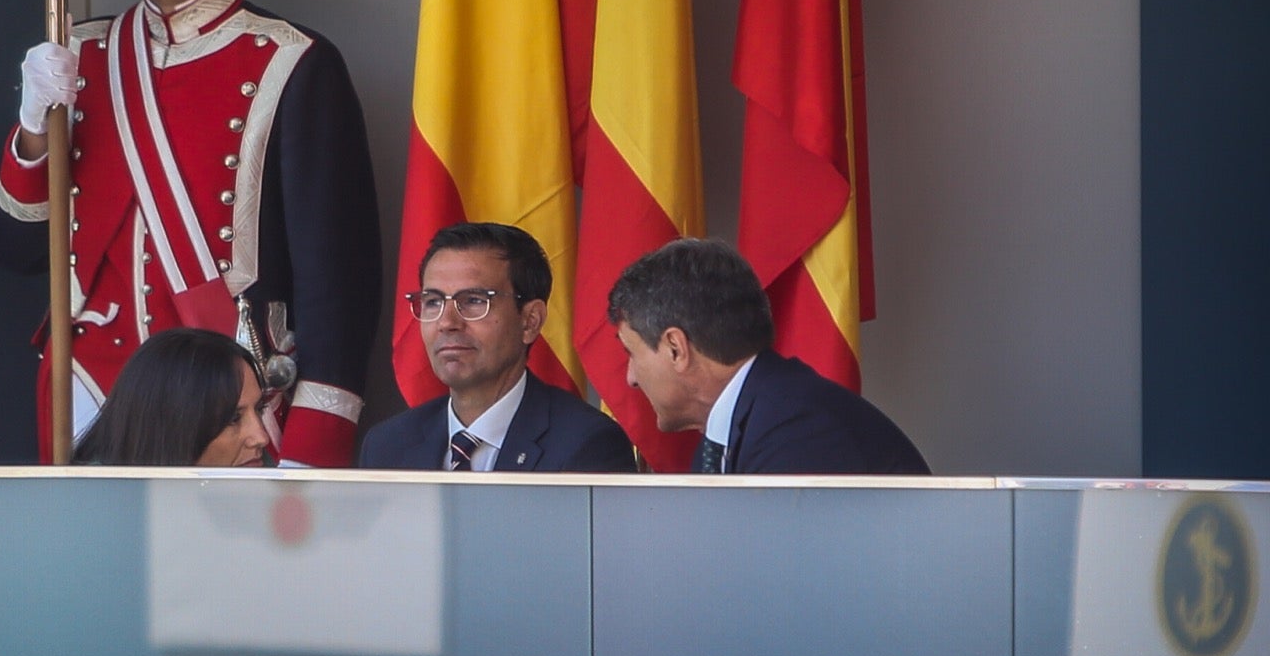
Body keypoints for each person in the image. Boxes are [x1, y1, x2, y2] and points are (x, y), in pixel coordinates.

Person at [0, 0, 381, 467]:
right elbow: (16, 249)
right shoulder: (80, 55)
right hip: (91, 395)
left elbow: (339, 286)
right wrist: (32, 128)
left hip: (235, 404)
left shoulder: (293, 61)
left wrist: (312, 451)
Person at [607, 238, 929, 475]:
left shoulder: (800, 436)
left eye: (631, 354)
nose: (631, 377)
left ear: (676, 348)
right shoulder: (749, 425)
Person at [361, 222, 637, 473]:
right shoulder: (388, 445)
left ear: (530, 321)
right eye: (433, 301)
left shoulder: (587, 444)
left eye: (473, 301)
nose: (446, 322)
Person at [72, 328, 270, 467]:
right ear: (171, 424)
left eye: (259, 410)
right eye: (233, 418)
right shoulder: (93, 520)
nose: (261, 437)